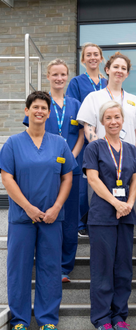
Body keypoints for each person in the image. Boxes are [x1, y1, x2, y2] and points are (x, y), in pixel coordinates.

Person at [0, 91, 75, 330]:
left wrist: (56, 207)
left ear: (49, 113)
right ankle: (20, 320)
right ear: (27, 111)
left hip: (52, 218)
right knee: (18, 270)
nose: (39, 111)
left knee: (50, 269)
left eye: (44, 108)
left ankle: (47, 320)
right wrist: (29, 208)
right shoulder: (13, 143)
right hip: (22, 219)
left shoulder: (59, 143)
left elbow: (67, 178)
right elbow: (7, 178)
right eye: (35, 107)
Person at [83, 101, 136, 330]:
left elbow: (135, 179)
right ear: (102, 121)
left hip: (125, 215)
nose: (113, 121)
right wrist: (115, 203)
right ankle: (101, 318)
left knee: (123, 268)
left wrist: (128, 203)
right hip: (102, 216)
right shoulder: (94, 147)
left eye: (117, 117)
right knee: (102, 268)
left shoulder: (130, 149)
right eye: (108, 118)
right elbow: (93, 179)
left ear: (122, 119)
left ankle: (119, 316)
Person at [23, 59, 84, 283]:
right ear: (48, 76)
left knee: (68, 220)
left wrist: (71, 158)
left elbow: (81, 135)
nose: (59, 78)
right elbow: (30, 133)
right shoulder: (40, 103)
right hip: (45, 171)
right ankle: (45, 264)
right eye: (55, 74)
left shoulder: (76, 103)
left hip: (70, 169)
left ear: (67, 77)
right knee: (44, 215)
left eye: (63, 74)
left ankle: (64, 268)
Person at [66, 42, 107, 238]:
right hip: (86, 138)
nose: (92, 57)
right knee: (83, 184)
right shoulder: (76, 82)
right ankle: (82, 221)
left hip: (107, 137)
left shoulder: (107, 83)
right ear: (83, 60)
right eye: (88, 54)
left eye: (95, 54)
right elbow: (75, 110)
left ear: (101, 58)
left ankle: (100, 218)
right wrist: (89, 135)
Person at [77, 52, 136, 157]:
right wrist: (103, 153)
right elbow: (89, 130)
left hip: (128, 159)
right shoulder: (93, 97)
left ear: (127, 74)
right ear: (107, 70)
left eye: (123, 68)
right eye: (116, 67)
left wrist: (134, 158)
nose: (119, 70)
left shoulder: (134, 100)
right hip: (103, 159)